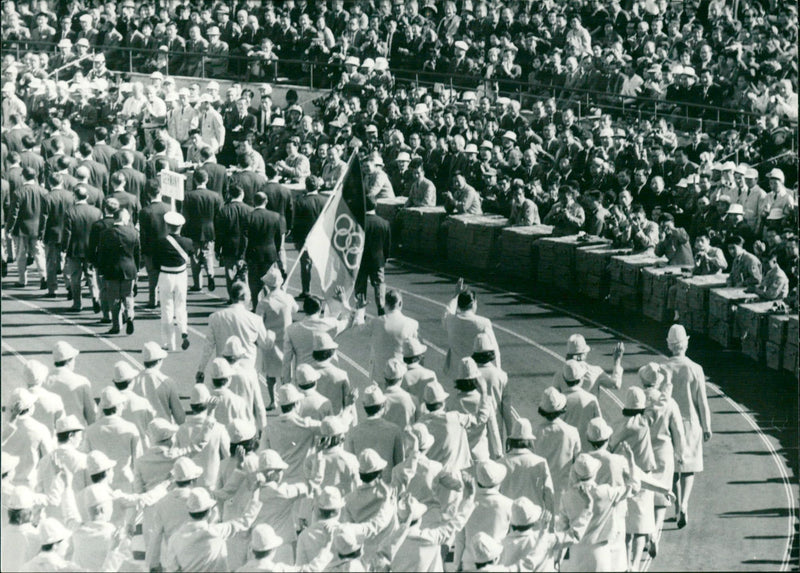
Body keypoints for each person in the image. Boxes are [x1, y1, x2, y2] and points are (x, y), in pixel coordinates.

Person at [661, 324, 711, 529]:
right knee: (688, 467)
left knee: (672, 467)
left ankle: (675, 506)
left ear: (669, 345)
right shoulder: (695, 368)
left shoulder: (663, 369)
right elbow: (702, 401)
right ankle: (684, 504)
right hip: (691, 422)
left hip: (669, 422)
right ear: (686, 344)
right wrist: (707, 426)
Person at [163, 486, 262, 572]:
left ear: (189, 512)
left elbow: (172, 569)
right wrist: (255, 493)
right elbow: (244, 521)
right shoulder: (216, 532)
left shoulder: (175, 539)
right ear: (209, 511)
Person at [197, 281, 276, 379]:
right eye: (249, 295)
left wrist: (201, 369)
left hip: (224, 372)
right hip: (247, 372)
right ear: (243, 297)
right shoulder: (256, 320)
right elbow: (265, 345)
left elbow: (208, 347)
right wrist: (271, 334)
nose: (251, 298)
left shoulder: (215, 317)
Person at [443, 280, 500, 377]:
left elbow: (448, 310)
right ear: (473, 303)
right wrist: (497, 372)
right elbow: (494, 351)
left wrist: (456, 295)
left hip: (456, 373)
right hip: (477, 372)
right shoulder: (483, 323)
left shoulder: (450, 320)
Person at [96, 207, 139, 335]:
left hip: (112, 269)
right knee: (128, 295)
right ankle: (130, 314)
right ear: (123, 218)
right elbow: (137, 254)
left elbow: (101, 254)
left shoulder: (105, 234)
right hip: (129, 269)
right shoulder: (133, 233)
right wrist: (136, 270)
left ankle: (116, 325)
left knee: (114, 298)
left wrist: (101, 270)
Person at [534, 387, 580, 508]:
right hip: (564, 488)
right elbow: (577, 461)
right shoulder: (572, 432)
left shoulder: (536, 432)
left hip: (540, 488)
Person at [62, 186, 102, 312]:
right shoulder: (97, 212)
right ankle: (95, 297)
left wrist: (64, 249)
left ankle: (77, 303)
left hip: (75, 248)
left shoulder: (70, 212)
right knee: (92, 275)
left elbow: (67, 233)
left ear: (75, 196)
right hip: (91, 248)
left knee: (75, 277)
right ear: (87, 197)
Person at [183, 168, 223, 292]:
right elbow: (219, 215)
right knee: (207, 254)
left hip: (193, 228)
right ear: (207, 180)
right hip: (209, 228)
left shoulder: (189, 196)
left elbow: (186, 215)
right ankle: (210, 273)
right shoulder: (215, 196)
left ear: (195, 180)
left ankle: (197, 283)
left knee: (194, 257)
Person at [292, 175, 328, 298]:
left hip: (305, 238)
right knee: (322, 267)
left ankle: (306, 290)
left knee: (305, 265)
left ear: (306, 186)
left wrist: (296, 239)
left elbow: (296, 223)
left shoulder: (300, 201)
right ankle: (325, 292)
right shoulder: (325, 200)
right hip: (321, 238)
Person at [133, 341, 186, 425]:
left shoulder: (134, 381)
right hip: (164, 431)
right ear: (158, 361)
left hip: (142, 431)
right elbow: (180, 417)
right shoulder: (167, 382)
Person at [245, 191, 283, 306]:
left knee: (253, 281)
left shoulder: (249, 216)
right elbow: (278, 237)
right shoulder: (275, 216)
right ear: (266, 201)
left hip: (254, 252)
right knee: (269, 280)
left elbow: (245, 237)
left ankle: (256, 304)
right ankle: (269, 304)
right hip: (270, 253)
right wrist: (276, 250)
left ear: (253, 202)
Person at [45, 341, 96, 426]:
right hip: (77, 433)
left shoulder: (45, 381)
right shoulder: (82, 381)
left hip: (53, 434)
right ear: (69, 360)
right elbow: (91, 414)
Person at [356, 193, 391, 314]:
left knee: (360, 286)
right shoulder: (384, 223)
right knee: (379, 284)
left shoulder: (359, 223)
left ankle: (360, 310)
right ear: (375, 205)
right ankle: (381, 307)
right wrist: (384, 258)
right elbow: (387, 245)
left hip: (361, 260)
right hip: (378, 259)